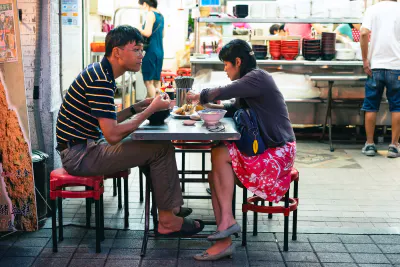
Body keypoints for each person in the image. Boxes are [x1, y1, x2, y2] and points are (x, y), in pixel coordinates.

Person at [55, 25, 204, 236]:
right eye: (136, 50)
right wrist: (151, 109)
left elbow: (107, 122)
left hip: (86, 148)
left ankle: (170, 209)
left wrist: (138, 106)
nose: (141, 55)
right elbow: (113, 134)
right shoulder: (100, 80)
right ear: (117, 52)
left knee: (158, 146)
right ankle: (168, 220)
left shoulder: (101, 73)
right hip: (80, 156)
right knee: (159, 149)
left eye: (141, 50)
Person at [187, 40, 296, 260]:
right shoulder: (252, 82)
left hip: (278, 154)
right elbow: (233, 107)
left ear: (238, 61)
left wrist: (201, 96)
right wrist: (210, 107)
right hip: (267, 150)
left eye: (226, 65)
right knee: (215, 166)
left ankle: (226, 227)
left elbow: (224, 92)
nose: (225, 70)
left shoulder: (257, 77)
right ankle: (225, 235)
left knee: (219, 154)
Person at [360, 0, 400, 158]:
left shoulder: (373, 9)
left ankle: (369, 144)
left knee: (371, 106)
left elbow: (363, 33)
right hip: (396, 65)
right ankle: (394, 146)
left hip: (375, 66)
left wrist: (365, 60)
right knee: (397, 106)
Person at [138, 0, 164, 98]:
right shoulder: (161, 16)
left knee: (148, 82)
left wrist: (140, 28)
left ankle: (156, 108)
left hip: (150, 51)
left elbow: (147, 33)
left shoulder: (150, 14)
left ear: (145, 3)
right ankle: (156, 107)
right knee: (156, 82)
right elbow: (163, 34)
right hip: (159, 51)